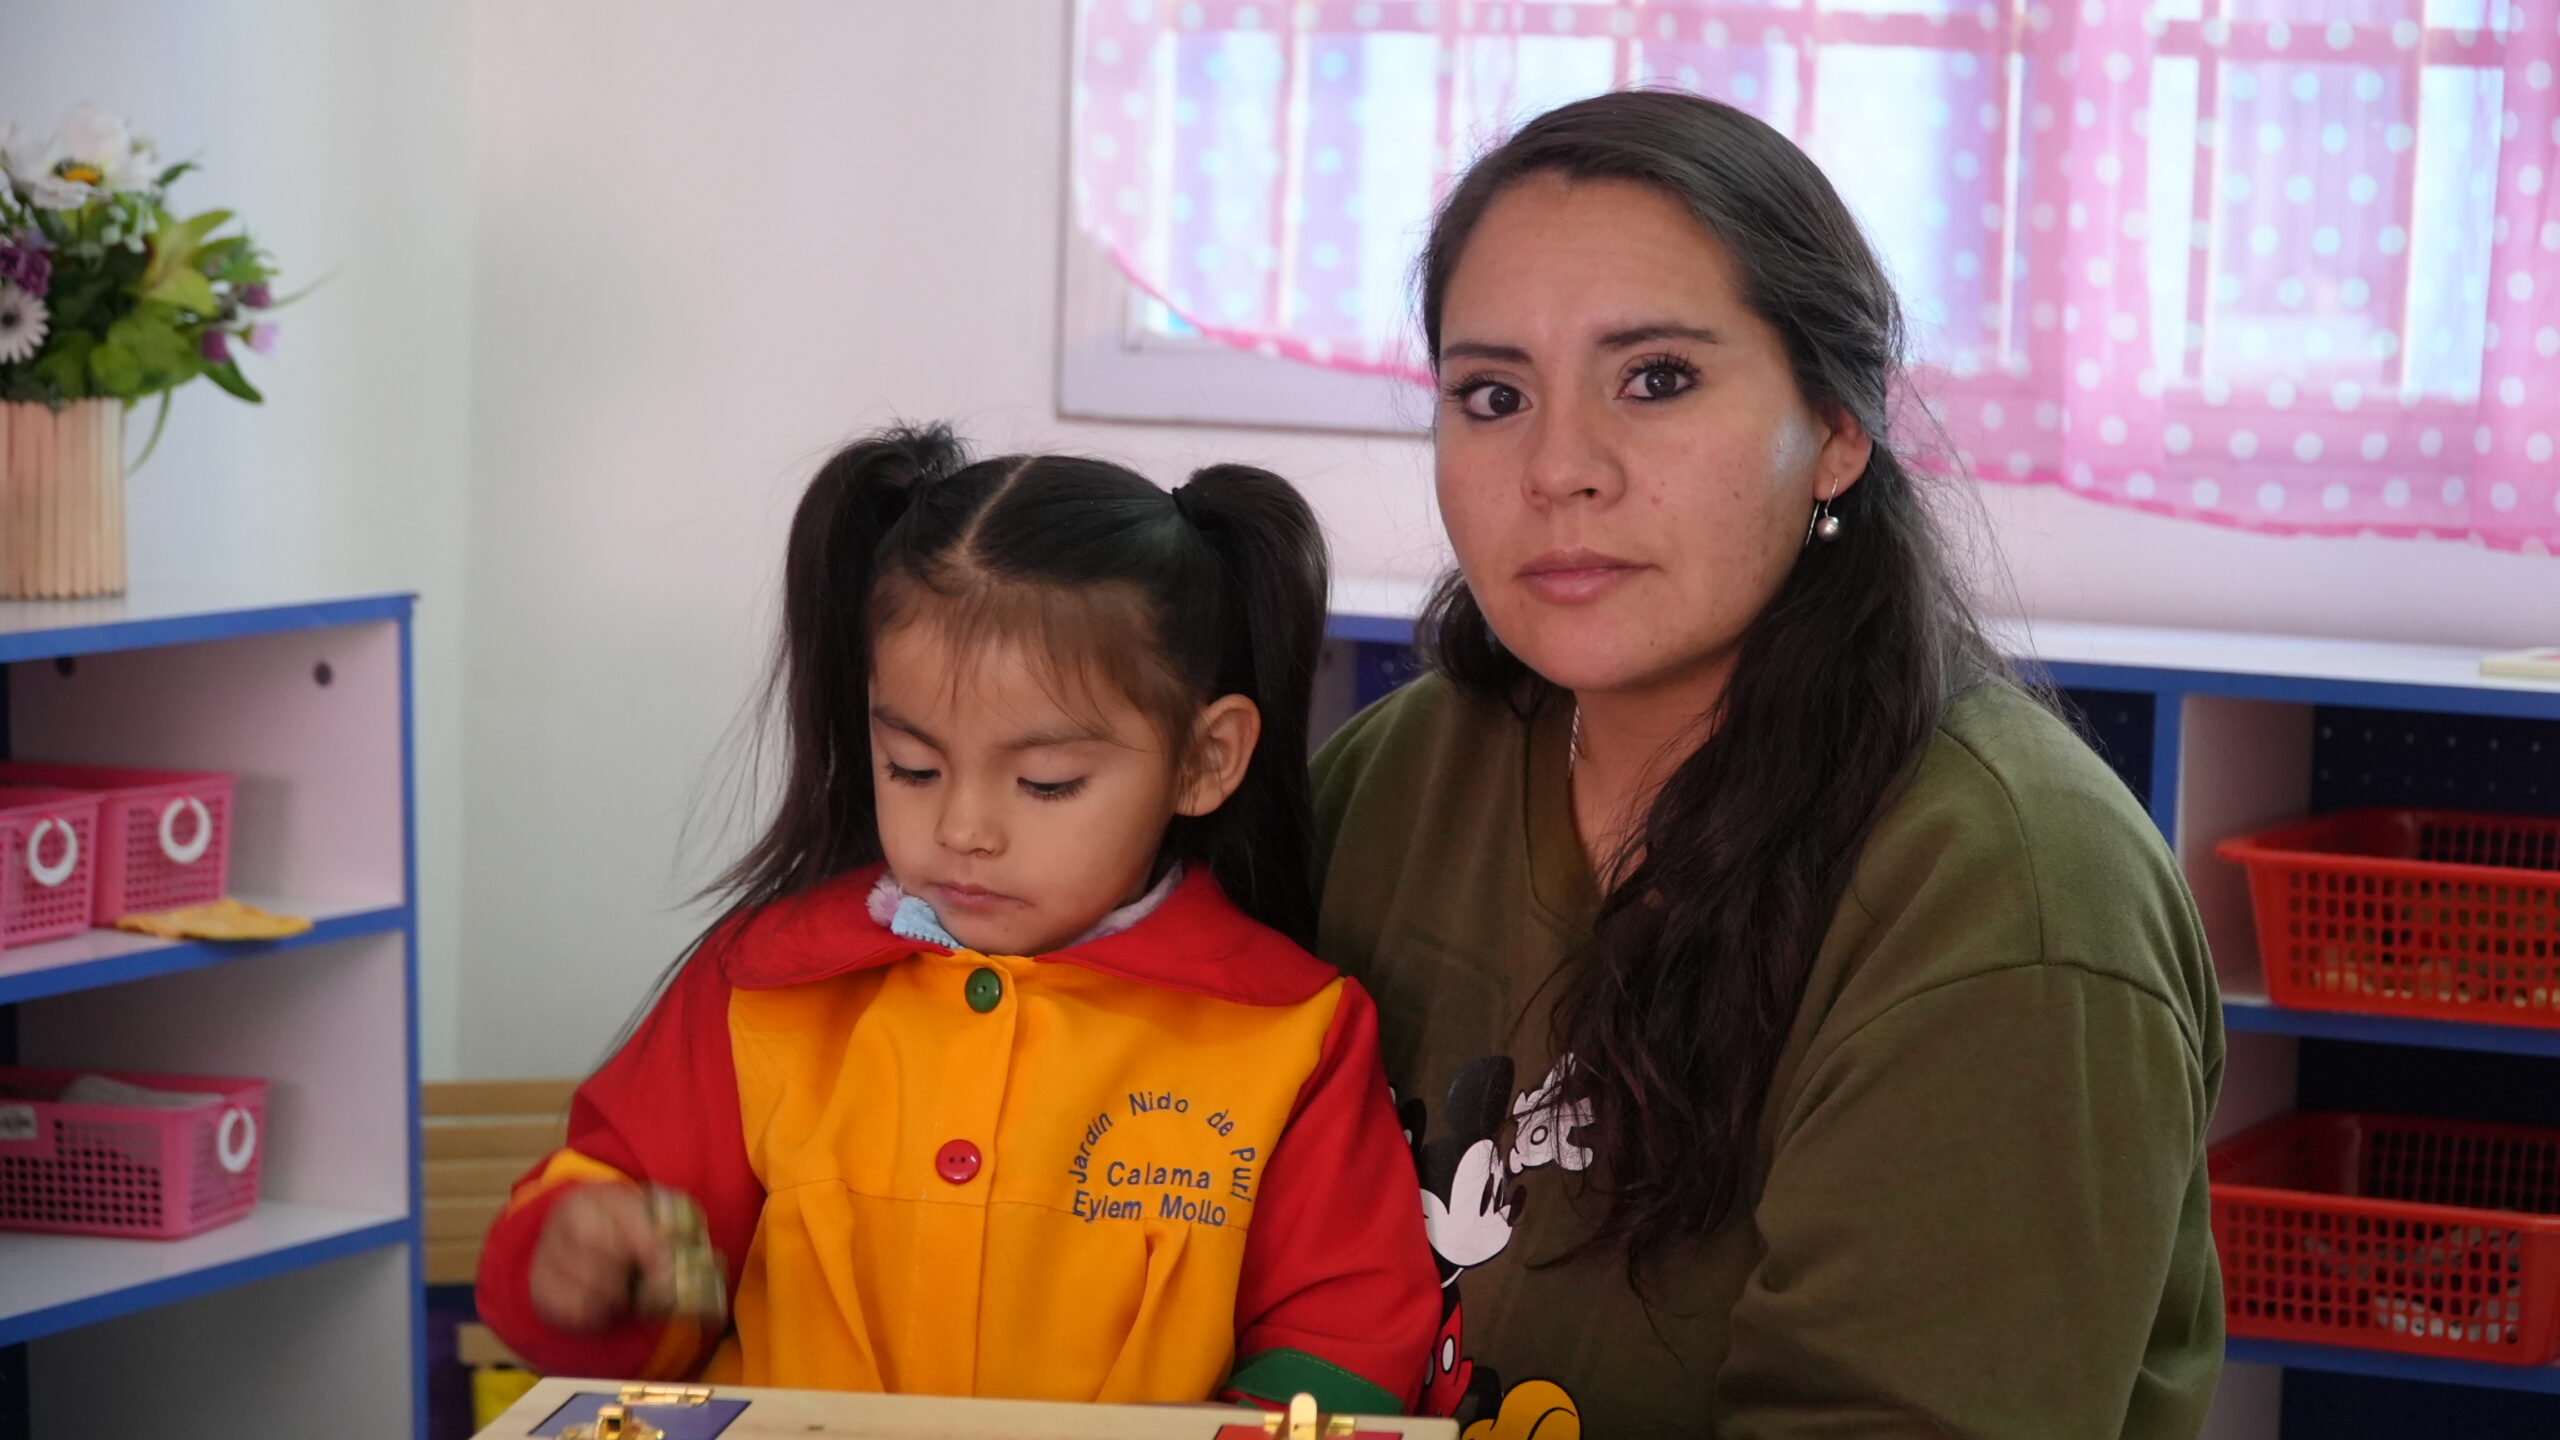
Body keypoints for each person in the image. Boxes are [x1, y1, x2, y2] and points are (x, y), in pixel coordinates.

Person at [1311, 91, 2223, 1437]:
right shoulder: (1400, 768)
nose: (1559, 468)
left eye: (1658, 380)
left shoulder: (2014, 891)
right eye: (1492, 396)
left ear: (1838, 430)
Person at [477, 425, 1439, 1412]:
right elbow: (632, 1267)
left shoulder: (1291, 1032)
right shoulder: (760, 986)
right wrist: (586, 1258)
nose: (964, 828)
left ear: (1205, 759)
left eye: (1046, 782)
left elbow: (1345, 1336)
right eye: (914, 768)